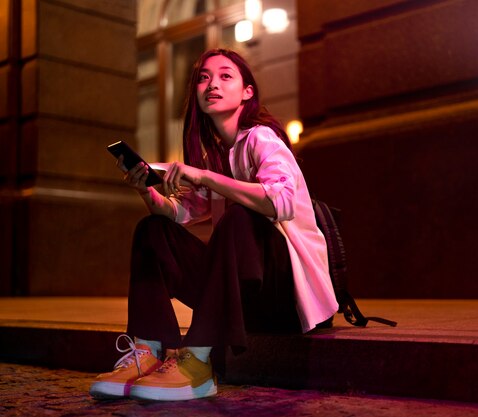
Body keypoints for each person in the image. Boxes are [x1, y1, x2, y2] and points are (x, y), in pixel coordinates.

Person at [89, 48, 338, 401]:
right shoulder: (217, 155)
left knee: (240, 216)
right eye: (204, 77)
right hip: (241, 299)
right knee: (151, 230)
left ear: (247, 92)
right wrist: (147, 190)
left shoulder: (262, 139)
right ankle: (147, 352)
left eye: (225, 76)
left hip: (286, 300)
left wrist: (205, 176)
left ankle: (198, 362)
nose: (212, 84)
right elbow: (179, 214)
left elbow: (280, 202)